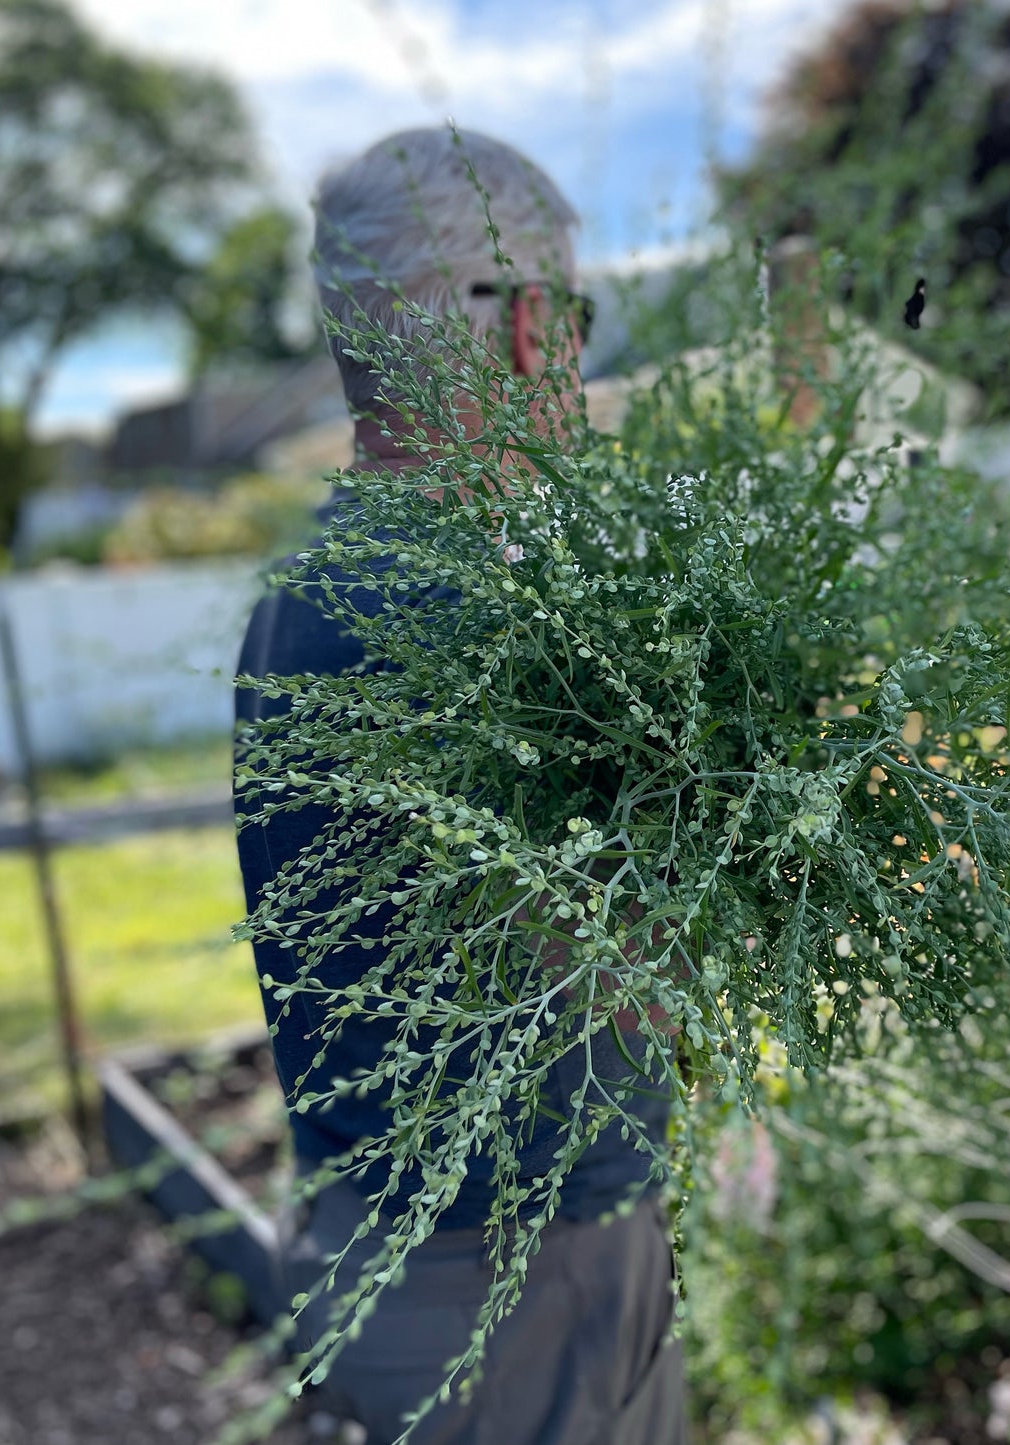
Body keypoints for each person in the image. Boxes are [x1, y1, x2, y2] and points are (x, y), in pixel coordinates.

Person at [233, 127, 684, 1445]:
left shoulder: (314, 584)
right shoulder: (465, 611)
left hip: (410, 1248)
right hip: (515, 1270)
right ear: (531, 324)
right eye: (575, 311)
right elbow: (607, 952)